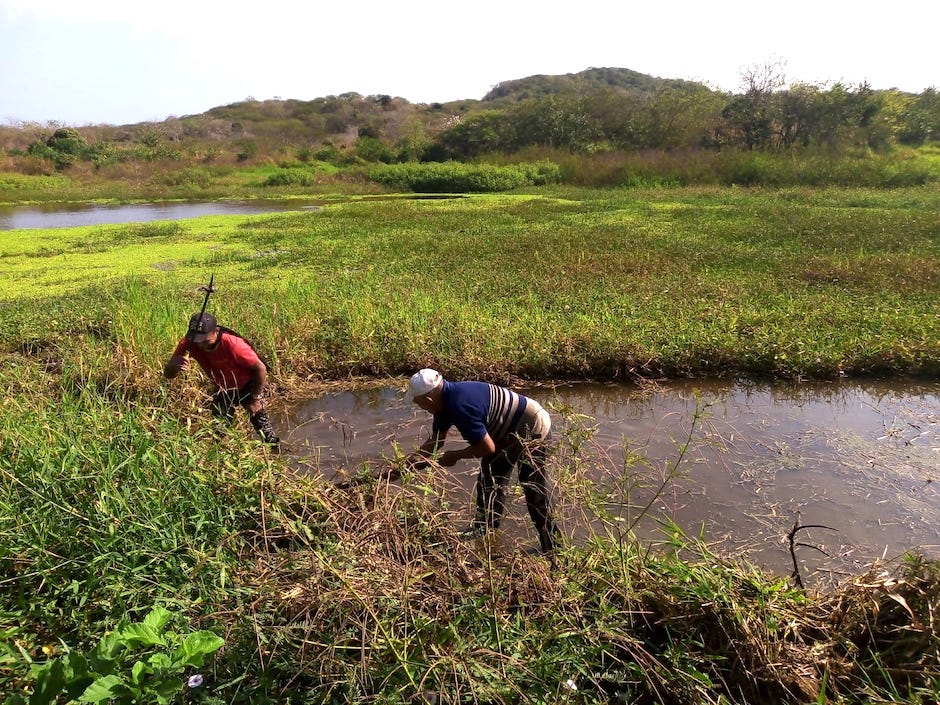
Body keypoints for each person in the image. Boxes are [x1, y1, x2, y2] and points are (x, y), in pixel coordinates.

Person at [404, 368, 560, 555]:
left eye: (420, 404)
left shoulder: (459, 406)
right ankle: (485, 529)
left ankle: (554, 550)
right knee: (490, 481)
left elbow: (487, 448)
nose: (421, 408)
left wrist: (455, 455)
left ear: (428, 399)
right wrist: (408, 464)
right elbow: (436, 440)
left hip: (532, 427)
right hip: (506, 432)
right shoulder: (443, 402)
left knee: (534, 491)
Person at [164, 312, 280, 449]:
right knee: (219, 428)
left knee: (260, 421)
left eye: (205, 340)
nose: (200, 345)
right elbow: (168, 374)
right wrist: (172, 367)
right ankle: (221, 456)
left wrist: (255, 398)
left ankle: (274, 451)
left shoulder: (233, 344)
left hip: (248, 383)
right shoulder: (189, 343)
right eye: (197, 340)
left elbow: (260, 368)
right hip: (223, 387)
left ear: (216, 332)